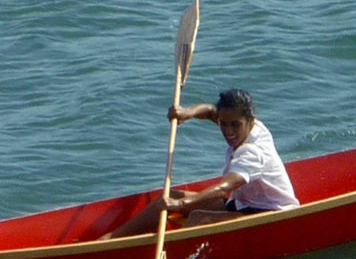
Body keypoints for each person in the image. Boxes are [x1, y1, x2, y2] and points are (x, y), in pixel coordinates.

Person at [107, 88, 300, 239]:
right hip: (242, 204)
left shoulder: (253, 152)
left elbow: (222, 190)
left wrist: (181, 204)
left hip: (271, 214)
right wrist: (186, 113)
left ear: (250, 121)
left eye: (235, 125)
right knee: (168, 195)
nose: (228, 131)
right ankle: (111, 239)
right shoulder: (246, 124)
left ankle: (166, 250)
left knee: (197, 217)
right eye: (223, 124)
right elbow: (209, 111)